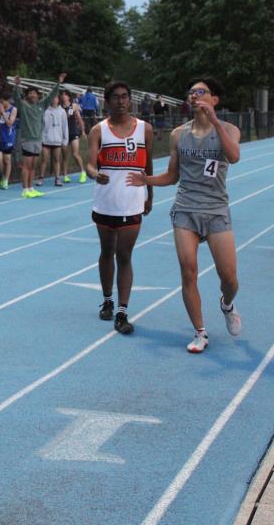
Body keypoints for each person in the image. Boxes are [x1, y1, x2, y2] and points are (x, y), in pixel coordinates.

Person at [127, 77, 242, 354]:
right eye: (191, 92)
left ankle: (227, 304)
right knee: (188, 270)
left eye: (201, 92)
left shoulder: (229, 129)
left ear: (215, 99)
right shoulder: (179, 134)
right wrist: (147, 180)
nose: (194, 96)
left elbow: (234, 156)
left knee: (229, 278)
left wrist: (215, 122)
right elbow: (172, 175)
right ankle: (200, 332)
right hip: (185, 208)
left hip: (216, 209)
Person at [87, 81, 154, 334]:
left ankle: (122, 312)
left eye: (125, 96)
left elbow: (148, 166)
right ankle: (107, 300)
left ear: (130, 99)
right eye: (116, 97)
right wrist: (96, 174)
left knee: (124, 255)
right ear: (107, 101)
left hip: (132, 203)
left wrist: (150, 194)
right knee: (107, 251)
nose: (121, 101)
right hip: (105, 202)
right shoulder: (99, 130)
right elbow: (89, 165)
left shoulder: (144, 129)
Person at [13, 73, 66, 198]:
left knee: (33, 166)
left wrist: (59, 82)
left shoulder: (42, 105)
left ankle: (31, 188)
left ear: (38, 95)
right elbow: (16, 97)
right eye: (30, 93)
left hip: (38, 140)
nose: (32, 95)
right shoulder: (23, 105)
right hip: (27, 140)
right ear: (27, 95)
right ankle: (24, 189)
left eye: (34, 93)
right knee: (26, 165)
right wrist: (17, 86)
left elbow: (52, 95)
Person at [39, 93, 68, 187]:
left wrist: (65, 140)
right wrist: (41, 138)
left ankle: (57, 178)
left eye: (55, 98)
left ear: (58, 99)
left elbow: (65, 126)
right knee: (44, 159)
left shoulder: (62, 111)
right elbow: (42, 125)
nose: (53, 100)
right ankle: (41, 178)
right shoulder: (45, 111)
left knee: (56, 159)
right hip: (46, 139)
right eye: (52, 98)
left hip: (57, 139)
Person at [61, 91, 88, 183]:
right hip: (64, 134)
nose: (63, 97)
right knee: (65, 156)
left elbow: (79, 119)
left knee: (75, 154)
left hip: (73, 132)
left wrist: (83, 131)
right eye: (62, 95)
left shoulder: (74, 106)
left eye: (65, 95)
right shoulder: (60, 107)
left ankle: (83, 172)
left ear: (69, 97)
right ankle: (65, 175)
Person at [0, 93, 18, 190]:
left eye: (3, 102)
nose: (1, 104)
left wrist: (3, 112)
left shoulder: (13, 109)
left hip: (8, 137)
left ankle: (6, 180)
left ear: (7, 101)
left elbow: (9, 123)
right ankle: (2, 176)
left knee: (7, 160)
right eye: (0, 102)